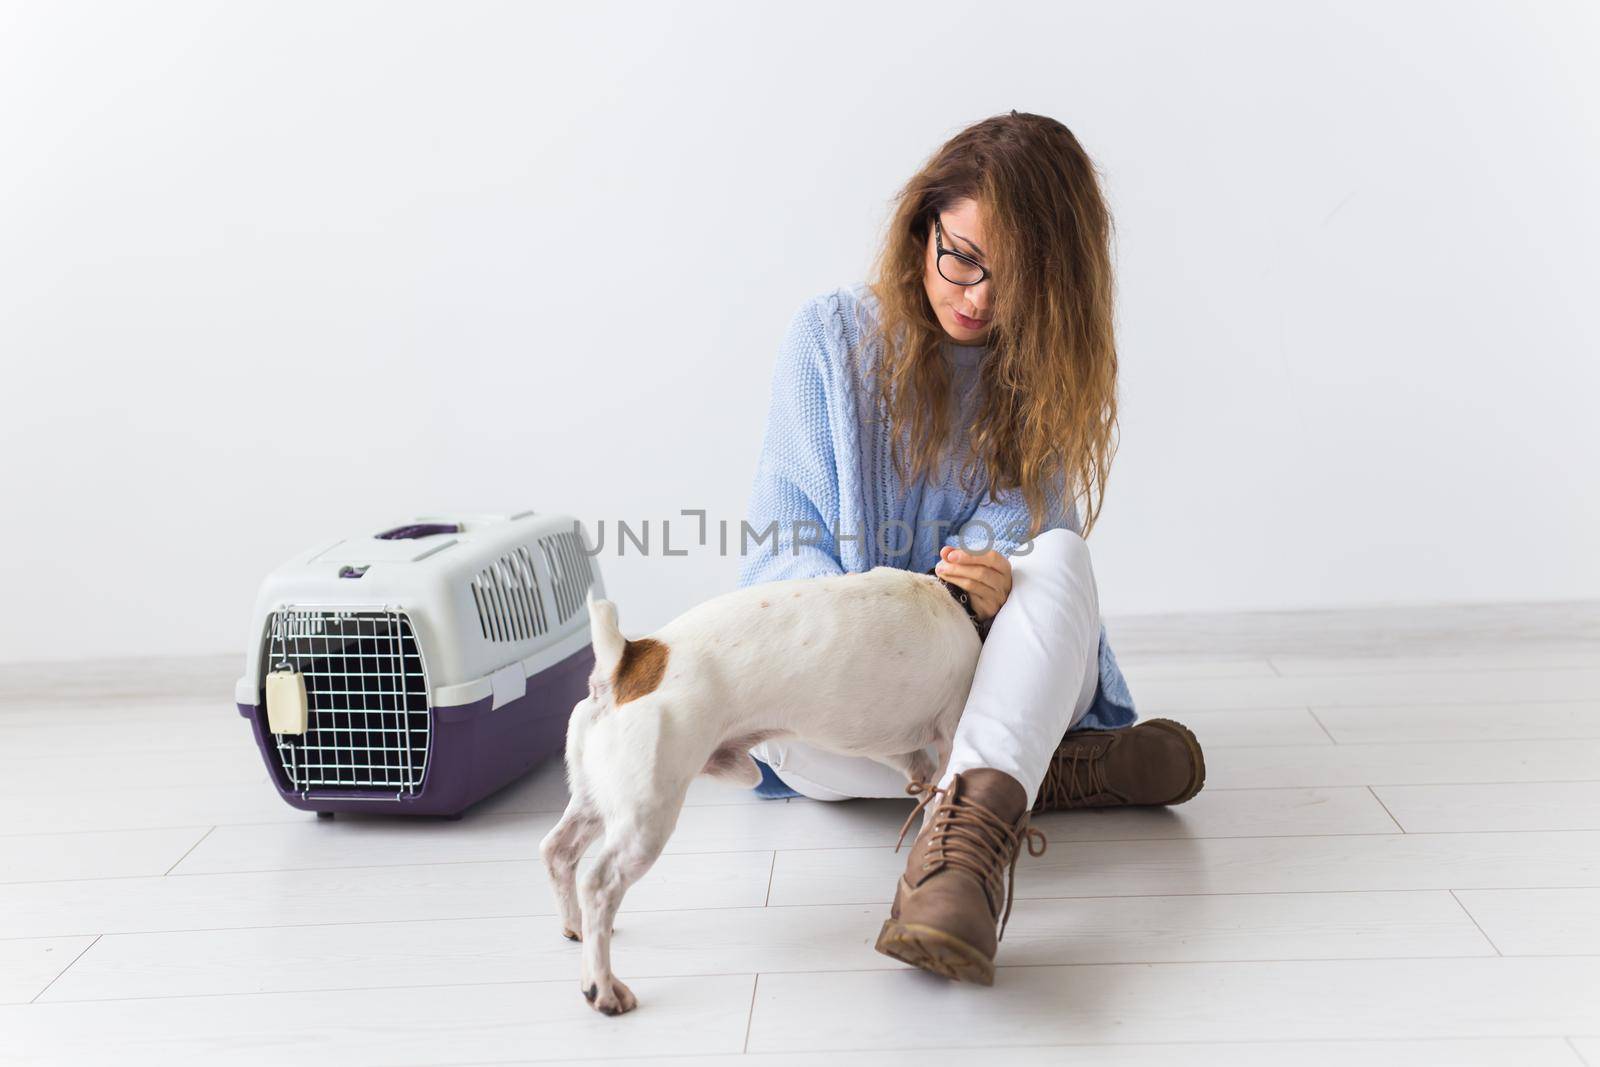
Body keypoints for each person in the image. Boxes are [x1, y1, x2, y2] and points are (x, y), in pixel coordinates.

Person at [735, 111, 1206, 985]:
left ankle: (958, 867)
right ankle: (1042, 773)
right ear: (925, 227)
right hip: (840, 721)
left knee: (1059, 558)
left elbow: (1026, 576)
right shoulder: (828, 342)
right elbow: (778, 558)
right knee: (795, 726)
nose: (978, 295)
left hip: (976, 683)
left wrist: (985, 594)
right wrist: (894, 620)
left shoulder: (1040, 375)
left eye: (1013, 278)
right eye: (961, 256)